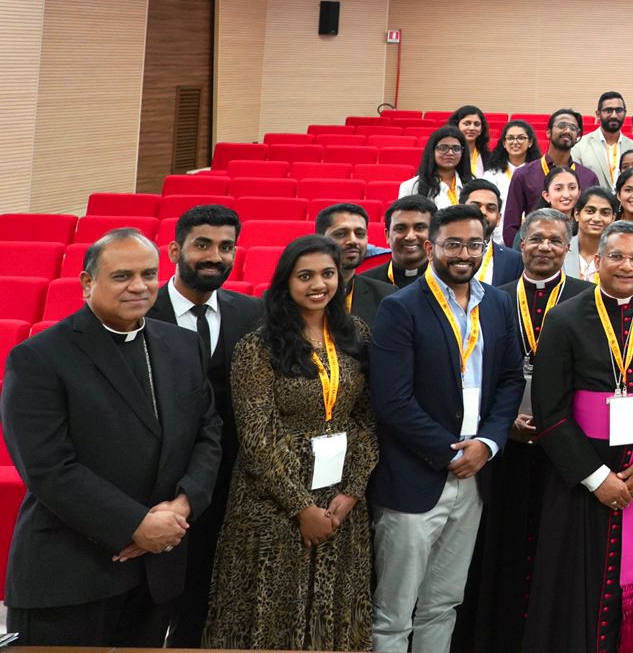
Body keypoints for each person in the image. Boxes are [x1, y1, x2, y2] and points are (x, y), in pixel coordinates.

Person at [0, 229, 221, 646]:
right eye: (122, 276)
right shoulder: (40, 357)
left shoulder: (182, 345)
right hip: (71, 572)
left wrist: (182, 506)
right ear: (88, 283)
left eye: (149, 274)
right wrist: (135, 525)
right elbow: (48, 468)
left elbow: (208, 432)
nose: (139, 286)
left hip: (157, 570)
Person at [524, 220, 633, 653]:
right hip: (582, 480)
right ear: (597, 260)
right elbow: (550, 412)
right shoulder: (564, 318)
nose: (626, 266)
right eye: (616, 256)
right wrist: (597, 477)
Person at [203, 235, 379, 650]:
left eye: (327, 274)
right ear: (286, 282)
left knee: (333, 612)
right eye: (305, 276)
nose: (318, 284)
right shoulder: (258, 346)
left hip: (340, 499)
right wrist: (302, 508)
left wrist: (353, 491)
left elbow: (368, 419)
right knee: (271, 614)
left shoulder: (356, 334)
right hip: (274, 503)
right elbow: (257, 437)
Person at [366, 204, 523, 653]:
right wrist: (450, 452)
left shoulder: (497, 302)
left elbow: (511, 379)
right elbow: (392, 401)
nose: (464, 254)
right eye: (453, 244)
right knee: (393, 613)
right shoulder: (401, 307)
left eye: (475, 244)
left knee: (444, 603)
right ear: (430, 246)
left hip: (474, 475)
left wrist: (487, 444)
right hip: (416, 475)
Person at [454, 207, 593, 653]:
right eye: (536, 238)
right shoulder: (491, 298)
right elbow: (476, 372)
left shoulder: (587, 299)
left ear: (567, 248)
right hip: (503, 446)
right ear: (520, 243)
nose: (544, 247)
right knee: (502, 548)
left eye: (555, 240)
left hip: (564, 446)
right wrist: (502, 424)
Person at [148, 204, 262, 646]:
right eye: (202, 245)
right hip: (153, 487)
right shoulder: (142, 309)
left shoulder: (251, 313)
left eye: (226, 247)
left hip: (228, 486)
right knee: (147, 611)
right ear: (175, 250)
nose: (215, 256)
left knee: (203, 603)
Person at [504, 109, 601, 242]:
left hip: (577, 248)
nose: (567, 130)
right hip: (536, 249)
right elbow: (510, 226)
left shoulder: (589, 177)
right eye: (562, 125)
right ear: (548, 132)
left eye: (573, 128)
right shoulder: (523, 174)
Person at [317, 203, 398, 326]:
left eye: (360, 234)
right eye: (341, 234)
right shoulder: (298, 292)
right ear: (319, 239)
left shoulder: (386, 295)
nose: (353, 241)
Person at [460, 179, 525, 286]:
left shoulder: (514, 260)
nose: (483, 212)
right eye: (475, 206)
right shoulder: (441, 251)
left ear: (498, 218)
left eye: (490, 209)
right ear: (459, 210)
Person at [571, 92, 633, 186]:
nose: (614, 115)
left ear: (625, 113)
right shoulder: (580, 145)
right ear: (598, 114)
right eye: (608, 110)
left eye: (619, 110)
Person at [366, 196, 439, 288]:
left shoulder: (450, 281)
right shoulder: (364, 284)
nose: (410, 237)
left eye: (419, 228)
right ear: (387, 235)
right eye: (400, 228)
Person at [482, 120, 540, 234]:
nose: (515, 142)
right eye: (510, 138)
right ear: (504, 143)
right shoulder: (491, 175)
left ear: (530, 142)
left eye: (521, 138)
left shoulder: (540, 173)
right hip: (497, 233)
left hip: (533, 231)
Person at [401, 126, 480, 207]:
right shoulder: (411, 187)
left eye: (456, 148)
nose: (450, 153)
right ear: (432, 151)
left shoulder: (474, 184)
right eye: (443, 148)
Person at [565, 187, 622, 282]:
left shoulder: (620, 255)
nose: (597, 218)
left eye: (605, 213)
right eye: (590, 211)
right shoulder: (561, 250)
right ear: (576, 214)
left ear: (613, 218)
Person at [449, 106, 490, 180]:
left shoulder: (489, 157)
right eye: (466, 124)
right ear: (456, 126)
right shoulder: (447, 155)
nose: (472, 128)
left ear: (481, 130)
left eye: (476, 124)